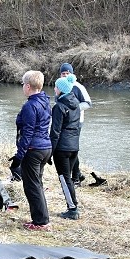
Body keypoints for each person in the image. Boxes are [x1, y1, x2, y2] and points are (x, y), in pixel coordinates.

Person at [9, 70, 53, 232]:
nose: (22, 87)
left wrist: (18, 157)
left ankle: (41, 222)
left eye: (22, 84)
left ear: (28, 86)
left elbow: (27, 133)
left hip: (34, 150)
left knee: (31, 186)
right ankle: (41, 219)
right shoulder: (45, 102)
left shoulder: (30, 106)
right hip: (45, 148)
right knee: (37, 184)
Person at [50, 76, 81, 220]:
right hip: (74, 146)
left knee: (64, 178)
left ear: (61, 90)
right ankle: (73, 205)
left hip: (62, 148)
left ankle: (72, 209)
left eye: (56, 87)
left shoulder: (59, 107)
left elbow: (55, 132)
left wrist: (50, 151)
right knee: (68, 178)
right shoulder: (76, 103)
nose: (54, 89)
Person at [60, 62, 92, 185]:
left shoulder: (78, 87)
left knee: (72, 149)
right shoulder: (60, 86)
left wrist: (73, 109)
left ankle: (76, 177)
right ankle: (77, 174)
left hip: (77, 122)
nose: (65, 75)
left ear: (72, 74)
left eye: (67, 73)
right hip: (64, 122)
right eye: (63, 73)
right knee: (67, 148)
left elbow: (88, 103)